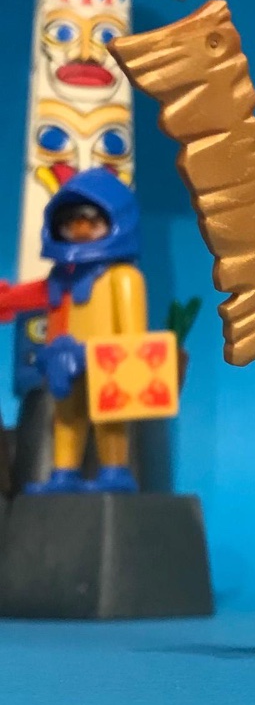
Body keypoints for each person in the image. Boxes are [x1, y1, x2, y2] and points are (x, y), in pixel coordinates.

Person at [0, 168, 146, 493]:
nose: (80, 230)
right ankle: (64, 472)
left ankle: (115, 470)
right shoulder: (61, 278)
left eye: (91, 222)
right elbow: (29, 296)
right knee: (66, 418)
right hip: (62, 360)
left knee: (110, 417)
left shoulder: (123, 278)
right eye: (71, 222)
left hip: (106, 361)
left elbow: (133, 332)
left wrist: (122, 361)